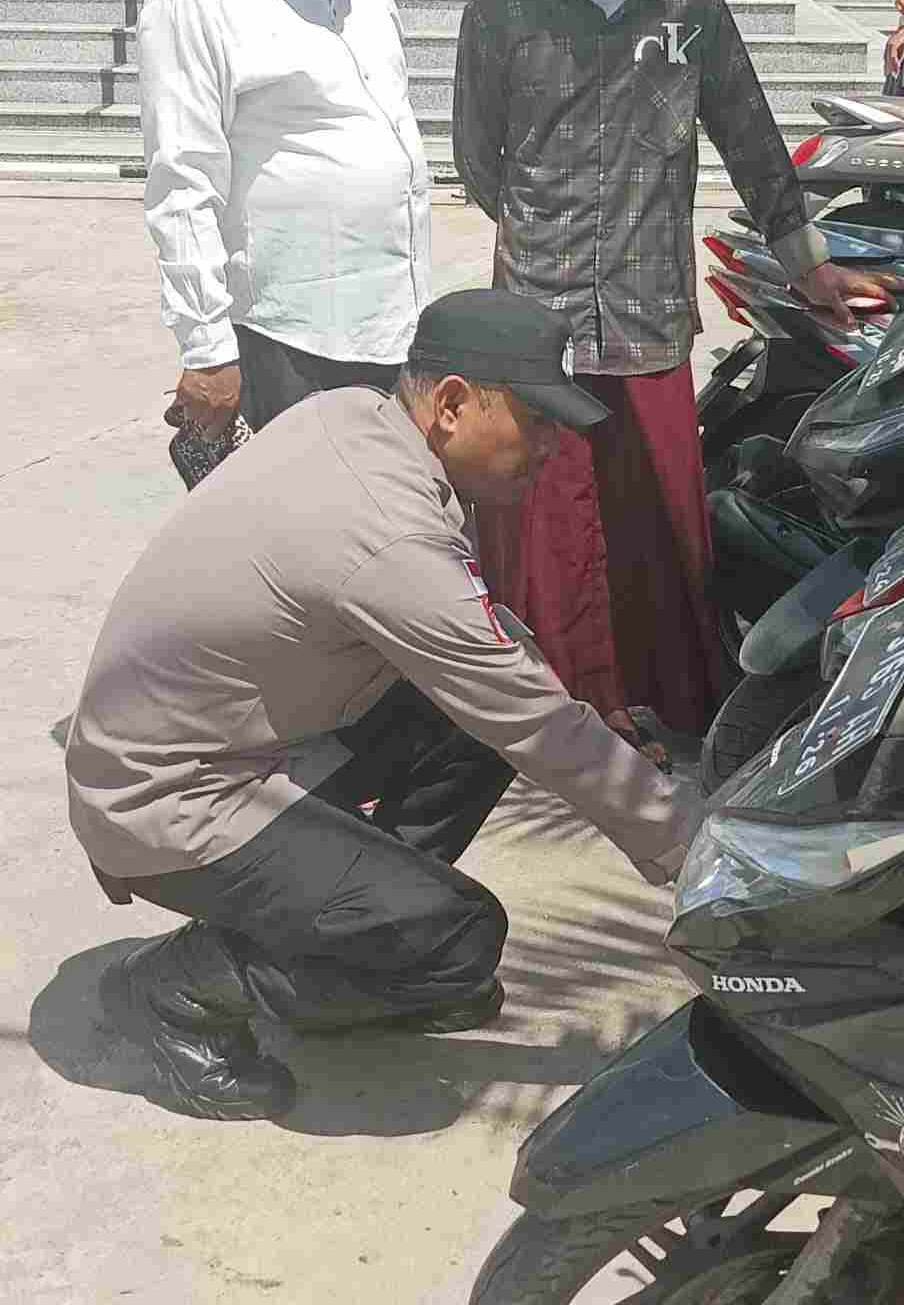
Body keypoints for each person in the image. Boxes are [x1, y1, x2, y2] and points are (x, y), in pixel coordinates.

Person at [65, 289, 705, 1123]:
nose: (551, 449)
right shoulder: (386, 531)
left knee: (479, 709)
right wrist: (695, 855)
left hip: (218, 748)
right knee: (457, 941)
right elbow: (538, 724)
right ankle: (175, 991)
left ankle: (360, 935)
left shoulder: (351, 416)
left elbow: (497, 671)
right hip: (167, 805)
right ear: (449, 404)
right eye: (537, 423)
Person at [452, 0, 904, 759]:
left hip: (653, 315)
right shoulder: (498, 17)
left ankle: (674, 697)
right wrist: (545, 244)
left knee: (657, 515)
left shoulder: (689, 11)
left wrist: (807, 263)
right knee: (556, 525)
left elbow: (749, 139)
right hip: (543, 326)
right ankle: (573, 712)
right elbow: (479, 163)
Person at [139, 0, 430, 437]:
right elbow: (182, 186)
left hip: (393, 324)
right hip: (290, 344)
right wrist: (207, 349)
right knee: (311, 533)